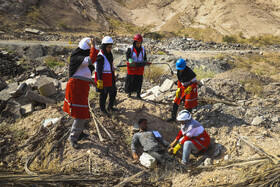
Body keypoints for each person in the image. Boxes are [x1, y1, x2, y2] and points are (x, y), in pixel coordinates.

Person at [63, 37, 99, 149]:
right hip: (76, 88)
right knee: (80, 114)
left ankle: (79, 133)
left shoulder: (81, 58)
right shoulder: (77, 57)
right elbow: (90, 60)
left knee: (81, 112)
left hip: (81, 87)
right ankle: (73, 138)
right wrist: (93, 47)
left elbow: (82, 73)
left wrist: (91, 81)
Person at [167, 58, 198, 122]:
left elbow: (194, 82)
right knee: (176, 101)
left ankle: (187, 120)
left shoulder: (189, 72)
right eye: (179, 69)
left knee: (188, 104)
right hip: (182, 87)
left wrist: (190, 88)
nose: (180, 70)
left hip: (190, 89)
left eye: (181, 69)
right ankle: (173, 117)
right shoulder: (179, 70)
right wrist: (178, 88)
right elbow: (179, 81)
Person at [95, 36, 117, 116]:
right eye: (108, 47)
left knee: (113, 92)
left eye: (111, 47)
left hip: (110, 76)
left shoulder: (109, 54)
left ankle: (110, 107)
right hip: (103, 78)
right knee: (103, 94)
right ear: (104, 46)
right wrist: (99, 80)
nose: (109, 49)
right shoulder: (101, 56)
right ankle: (102, 109)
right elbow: (98, 69)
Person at [124, 34, 150, 99]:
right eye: (137, 43)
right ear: (134, 42)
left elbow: (144, 58)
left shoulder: (143, 49)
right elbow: (127, 56)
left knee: (139, 80)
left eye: (140, 43)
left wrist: (146, 62)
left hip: (140, 66)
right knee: (131, 79)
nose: (139, 44)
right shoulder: (130, 48)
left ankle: (138, 94)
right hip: (132, 66)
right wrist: (130, 60)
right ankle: (129, 93)